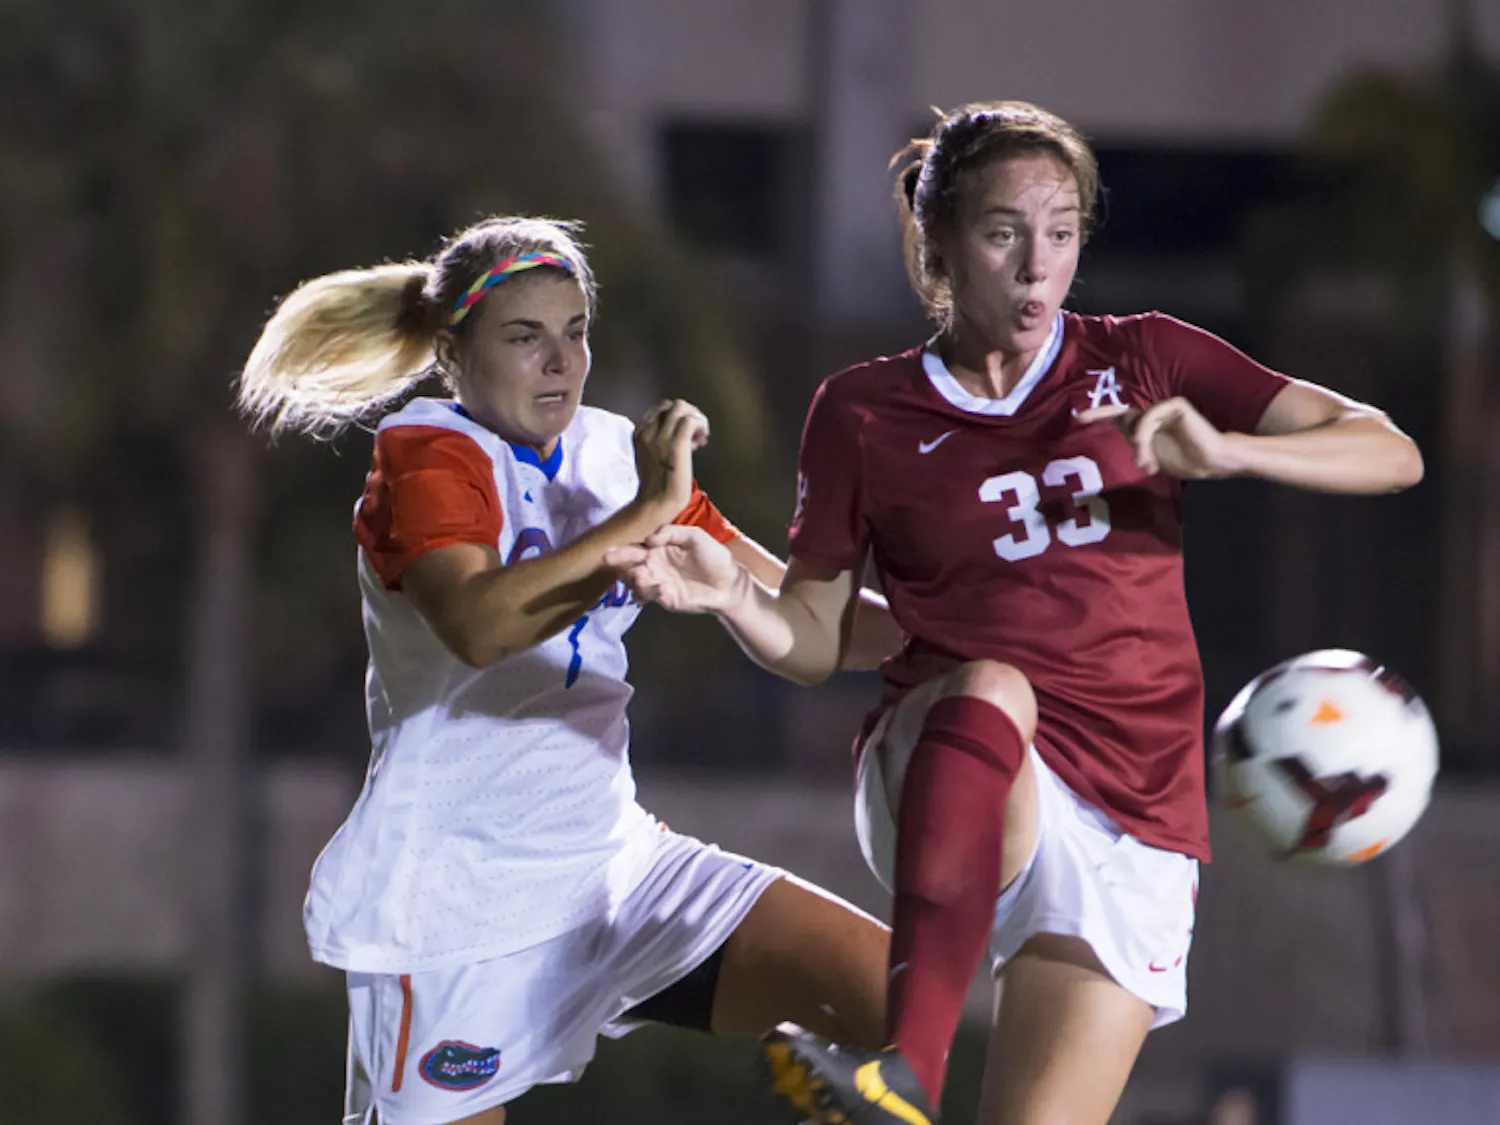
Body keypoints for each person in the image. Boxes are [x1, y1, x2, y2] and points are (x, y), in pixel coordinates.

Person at [604, 100, 1424, 1125]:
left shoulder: (1146, 358)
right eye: (1004, 233)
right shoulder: (863, 411)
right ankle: (902, 1067)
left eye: (1063, 233)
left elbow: (1391, 451)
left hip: (1139, 812)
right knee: (995, 687)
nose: (1039, 266)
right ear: (941, 242)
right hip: (946, 760)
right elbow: (814, 640)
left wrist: (1233, 450)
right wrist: (733, 591)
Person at [235, 215, 904, 1125]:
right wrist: (647, 514)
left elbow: (798, 612)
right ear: (451, 353)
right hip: (454, 910)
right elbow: (480, 625)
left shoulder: (612, 454)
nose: (561, 361)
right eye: (525, 337)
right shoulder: (426, 452)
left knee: (896, 998)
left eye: (575, 331)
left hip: (613, 869)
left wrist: (969, 638)